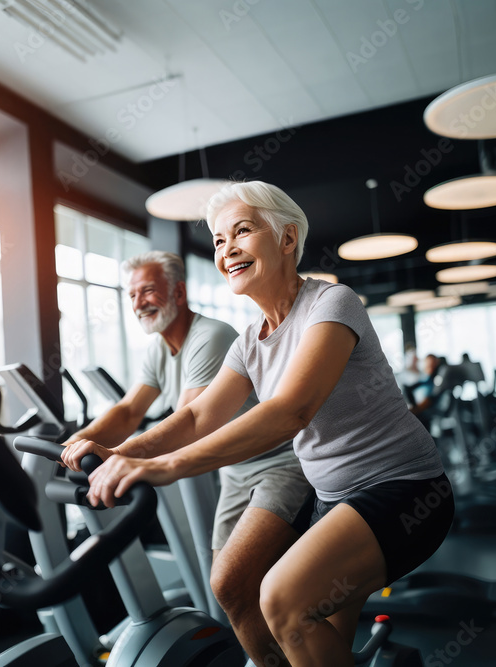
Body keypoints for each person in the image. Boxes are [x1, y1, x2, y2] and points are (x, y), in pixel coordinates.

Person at [62, 182, 453, 667]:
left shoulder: (331, 304)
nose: (227, 250)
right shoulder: (248, 342)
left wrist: (166, 466)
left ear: (287, 239)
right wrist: (128, 453)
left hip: (404, 491)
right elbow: (199, 415)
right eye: (220, 240)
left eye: (242, 232)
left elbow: (292, 410)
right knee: (306, 634)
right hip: (332, 502)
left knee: (282, 602)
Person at [61, 250, 312, 655]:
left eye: (148, 291)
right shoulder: (160, 349)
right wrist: (73, 445)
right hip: (234, 473)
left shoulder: (208, 337)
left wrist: (116, 453)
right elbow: (128, 410)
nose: (139, 301)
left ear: (178, 292)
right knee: (229, 591)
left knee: (232, 582)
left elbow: (189, 422)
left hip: (278, 465)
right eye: (132, 295)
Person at [410, 354, 442, 432]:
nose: (428, 367)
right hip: (416, 407)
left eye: (431, 365)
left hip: (423, 413)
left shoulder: (436, 381)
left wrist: (412, 412)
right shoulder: (424, 379)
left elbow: (428, 402)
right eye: (427, 364)